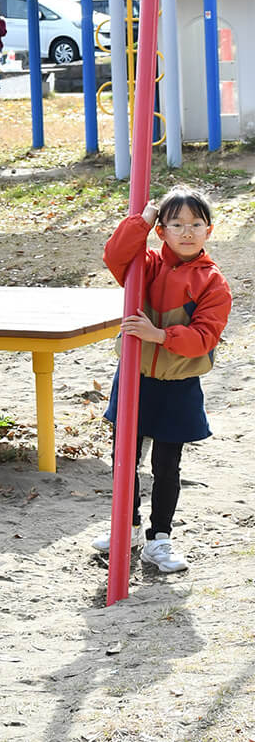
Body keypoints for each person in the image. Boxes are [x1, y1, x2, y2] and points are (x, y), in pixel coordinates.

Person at [92, 187, 231, 573]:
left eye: (195, 225)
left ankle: (159, 538)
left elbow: (205, 337)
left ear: (209, 229)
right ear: (161, 231)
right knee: (125, 460)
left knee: (166, 466)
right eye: (176, 224)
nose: (186, 232)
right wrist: (144, 216)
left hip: (178, 385)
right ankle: (128, 527)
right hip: (135, 379)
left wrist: (159, 335)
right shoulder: (145, 266)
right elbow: (114, 254)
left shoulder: (212, 282)